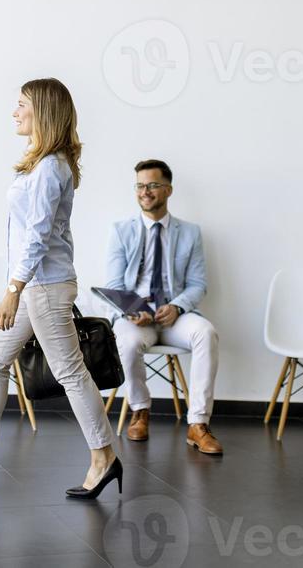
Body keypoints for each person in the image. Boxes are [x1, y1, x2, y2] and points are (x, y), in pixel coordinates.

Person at [0, 78, 122, 498]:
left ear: (43, 111)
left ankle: (104, 458)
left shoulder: (52, 166)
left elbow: (36, 235)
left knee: (71, 372)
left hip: (44, 287)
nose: (14, 112)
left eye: (21, 105)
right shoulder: (42, 164)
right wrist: (17, 286)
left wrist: (12, 289)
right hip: (34, 284)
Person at [106, 159, 223, 454]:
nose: (145, 191)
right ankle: (140, 411)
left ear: (168, 190)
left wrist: (178, 307)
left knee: (205, 333)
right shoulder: (121, 231)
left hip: (174, 316)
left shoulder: (190, 232)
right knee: (126, 341)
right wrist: (133, 309)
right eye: (140, 185)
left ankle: (198, 424)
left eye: (153, 185)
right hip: (136, 317)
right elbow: (115, 285)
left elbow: (198, 284)